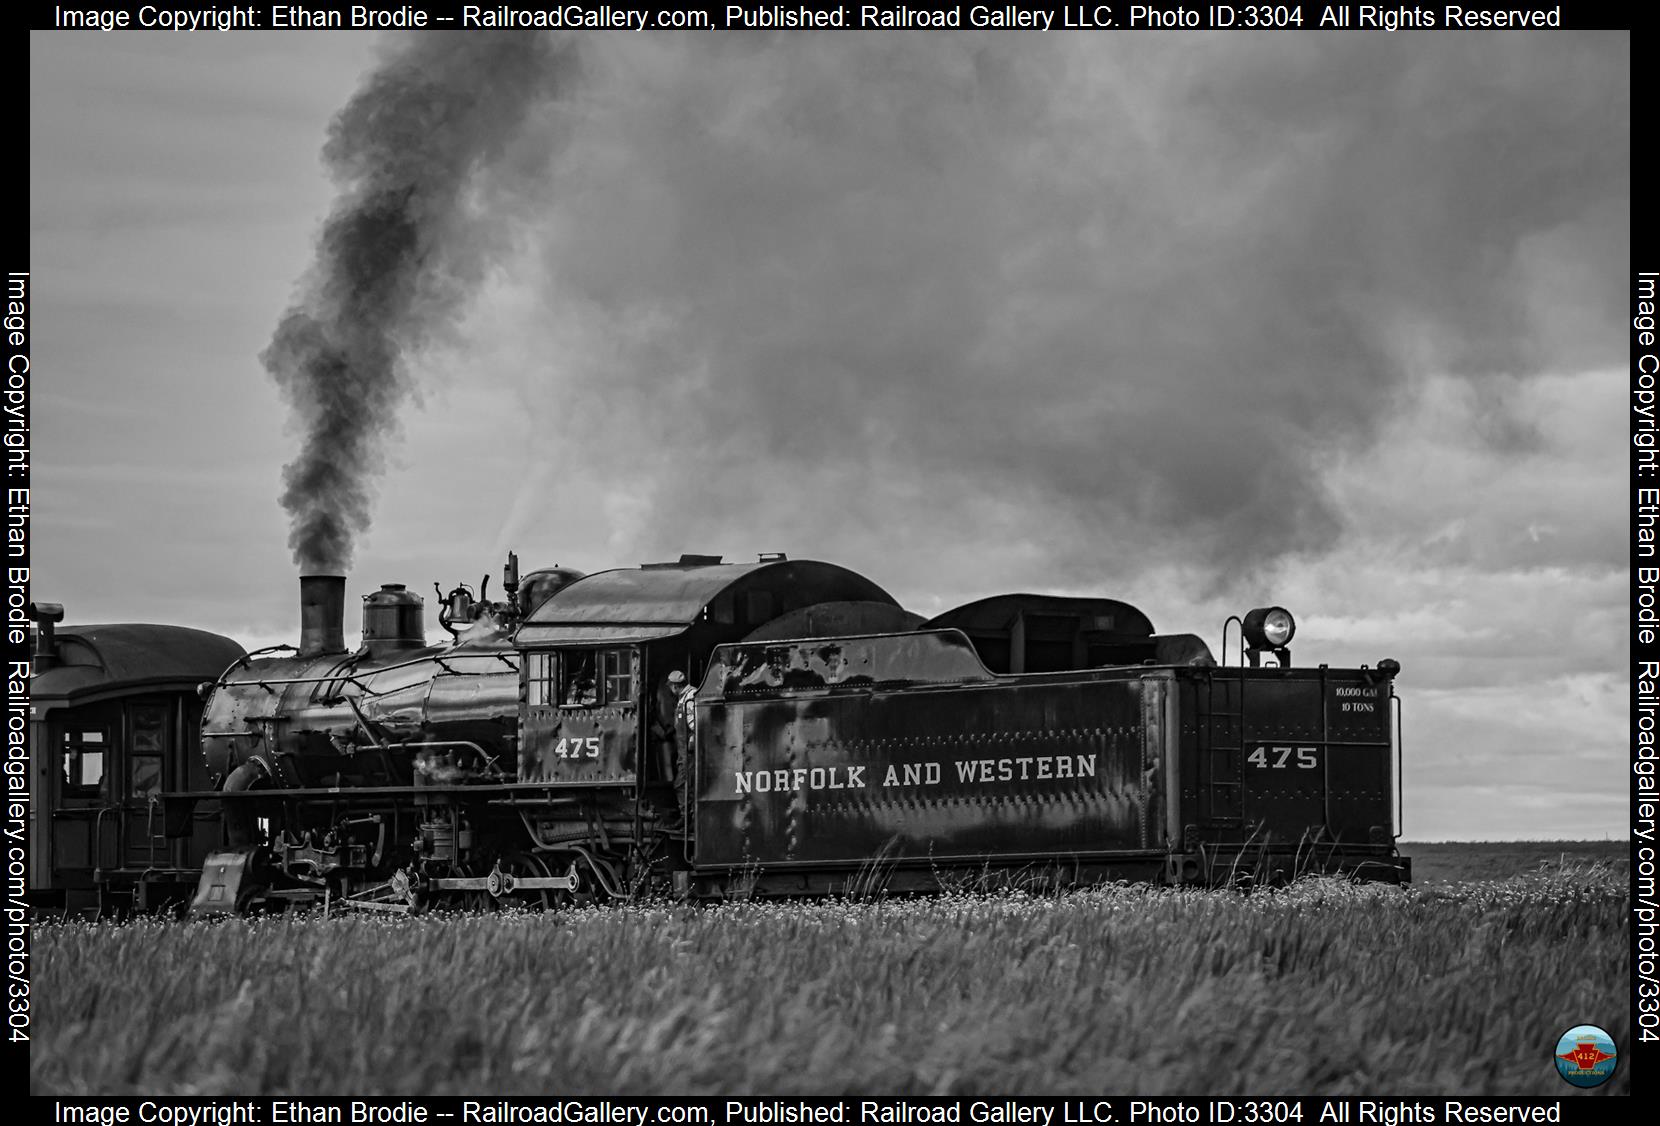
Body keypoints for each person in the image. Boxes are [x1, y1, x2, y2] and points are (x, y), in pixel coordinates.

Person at [652, 670, 686, 788]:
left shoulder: (685, 696)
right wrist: (663, 732)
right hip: (666, 732)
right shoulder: (663, 693)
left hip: (674, 731)